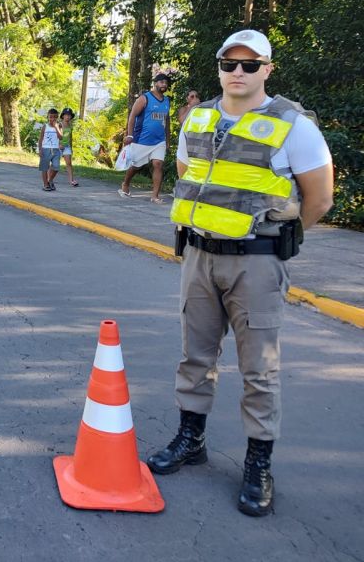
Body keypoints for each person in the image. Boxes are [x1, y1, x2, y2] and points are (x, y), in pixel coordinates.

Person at [148, 29, 333, 517]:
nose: (238, 72)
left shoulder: (294, 126)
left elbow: (319, 198)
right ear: (219, 67)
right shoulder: (199, 118)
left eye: (250, 65)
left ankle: (258, 463)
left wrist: (277, 239)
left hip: (257, 262)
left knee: (260, 370)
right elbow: (190, 174)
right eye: (230, 62)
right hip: (199, 257)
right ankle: (192, 439)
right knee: (195, 356)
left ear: (267, 70)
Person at [120, 72, 171, 202]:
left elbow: (167, 121)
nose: (164, 84)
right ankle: (125, 184)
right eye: (161, 82)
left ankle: (155, 196)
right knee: (136, 166)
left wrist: (167, 141)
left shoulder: (166, 101)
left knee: (158, 164)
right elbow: (132, 117)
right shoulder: (145, 98)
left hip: (159, 141)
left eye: (165, 82)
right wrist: (129, 135)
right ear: (155, 84)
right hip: (142, 139)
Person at [37, 108, 62, 191]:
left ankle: (50, 180)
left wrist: (56, 128)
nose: (52, 119)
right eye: (51, 117)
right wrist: (39, 149)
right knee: (44, 168)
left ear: (57, 118)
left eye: (55, 117)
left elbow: (61, 137)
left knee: (56, 166)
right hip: (45, 149)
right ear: (48, 117)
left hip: (55, 149)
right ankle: (45, 185)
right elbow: (40, 139)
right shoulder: (45, 126)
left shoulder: (59, 126)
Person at [59, 107, 78, 186]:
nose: (68, 116)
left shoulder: (70, 125)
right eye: (66, 115)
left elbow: (70, 137)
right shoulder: (60, 124)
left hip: (67, 146)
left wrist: (71, 147)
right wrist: (58, 144)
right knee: (54, 164)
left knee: (69, 163)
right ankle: (49, 179)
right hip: (59, 146)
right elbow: (56, 135)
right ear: (63, 116)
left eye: (69, 115)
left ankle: (71, 180)